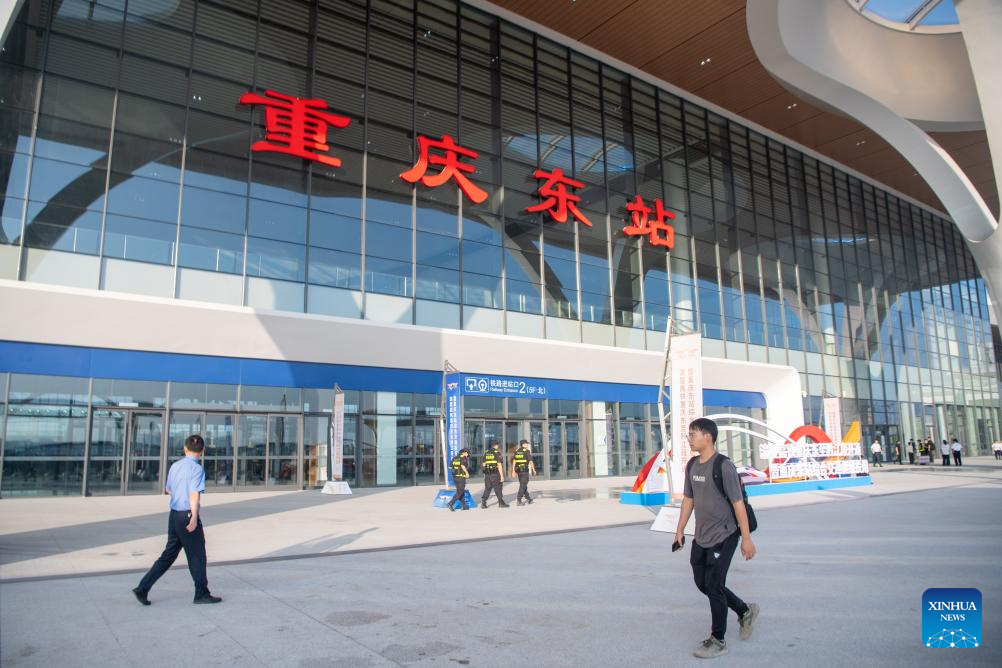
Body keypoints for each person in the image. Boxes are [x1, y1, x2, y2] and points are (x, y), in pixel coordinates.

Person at [674, 418, 758, 659]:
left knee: (713, 585)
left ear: (708, 437)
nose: (689, 439)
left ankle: (718, 639)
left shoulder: (724, 466)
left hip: (725, 535)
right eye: (689, 435)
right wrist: (680, 530)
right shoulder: (692, 465)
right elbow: (688, 499)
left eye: (693, 434)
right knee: (703, 584)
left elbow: (738, 504)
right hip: (701, 536)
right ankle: (745, 611)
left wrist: (746, 539)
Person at [133, 435, 221, 606]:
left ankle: (142, 588)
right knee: (197, 556)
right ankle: (201, 594)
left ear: (185, 448)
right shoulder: (197, 469)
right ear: (202, 451)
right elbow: (194, 494)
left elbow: (169, 490)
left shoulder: (175, 466)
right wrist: (193, 517)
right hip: (187, 515)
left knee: (168, 555)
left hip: (174, 515)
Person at [480, 441, 508, 508]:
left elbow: (483, 465)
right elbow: (499, 465)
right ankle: (501, 503)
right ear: (496, 445)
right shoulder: (497, 453)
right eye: (498, 445)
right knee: (498, 488)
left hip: (487, 474)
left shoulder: (486, 453)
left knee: (487, 488)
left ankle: (483, 503)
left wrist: (486, 471)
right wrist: (502, 476)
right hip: (495, 474)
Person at [512, 439, 536, 506]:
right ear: (523, 444)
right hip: (524, 471)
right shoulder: (526, 451)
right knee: (523, 485)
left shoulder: (516, 451)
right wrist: (533, 469)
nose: (527, 444)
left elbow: (514, 461)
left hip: (518, 471)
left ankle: (529, 499)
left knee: (523, 485)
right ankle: (519, 500)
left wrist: (513, 471)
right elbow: (530, 461)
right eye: (526, 443)